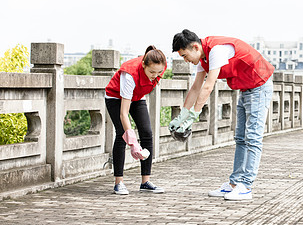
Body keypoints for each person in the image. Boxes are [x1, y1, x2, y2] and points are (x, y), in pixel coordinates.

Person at [170, 29, 274, 200]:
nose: (185, 60)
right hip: (245, 89)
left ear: (195, 47)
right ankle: (234, 184)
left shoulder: (216, 50)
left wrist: (193, 116)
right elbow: (196, 87)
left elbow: (208, 86)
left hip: (259, 86)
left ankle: (246, 187)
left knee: (253, 138)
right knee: (240, 138)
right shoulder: (202, 57)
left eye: (184, 55)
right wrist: (182, 116)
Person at [105, 45, 166, 195]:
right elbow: (123, 114)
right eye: (152, 72)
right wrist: (133, 143)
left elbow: (148, 83)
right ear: (143, 65)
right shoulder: (130, 74)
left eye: (158, 72)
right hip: (116, 97)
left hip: (137, 97)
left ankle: (145, 181)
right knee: (121, 134)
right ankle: (119, 183)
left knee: (147, 132)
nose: (155, 75)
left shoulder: (158, 68)